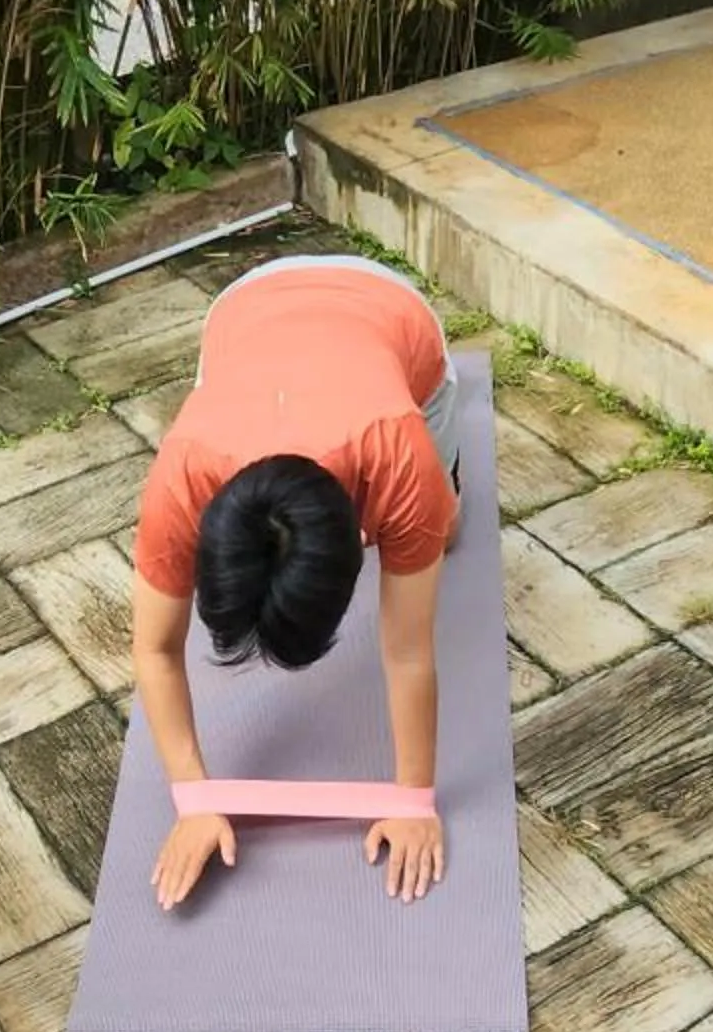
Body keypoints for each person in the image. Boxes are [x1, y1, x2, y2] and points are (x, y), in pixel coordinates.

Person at [129, 254, 464, 911]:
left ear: (355, 545)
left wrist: (414, 799)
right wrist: (193, 798)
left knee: (443, 535)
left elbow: (406, 648)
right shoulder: (182, 473)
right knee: (423, 537)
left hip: (391, 309)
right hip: (247, 302)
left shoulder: (400, 455)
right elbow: (154, 648)